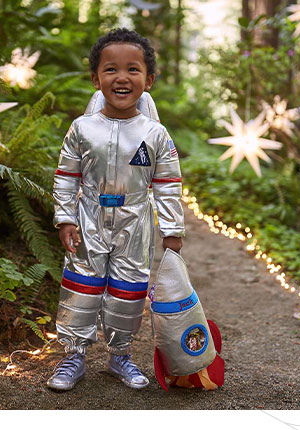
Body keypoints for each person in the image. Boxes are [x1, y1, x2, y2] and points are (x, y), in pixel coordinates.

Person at [47, 28, 185, 391]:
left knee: (129, 289)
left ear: (148, 80)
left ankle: (119, 355)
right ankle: (73, 355)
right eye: (111, 69)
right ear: (96, 78)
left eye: (133, 70)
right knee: (82, 286)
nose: (122, 78)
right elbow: (66, 176)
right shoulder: (82, 129)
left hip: (136, 221)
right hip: (88, 218)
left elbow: (168, 184)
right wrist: (65, 218)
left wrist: (172, 231)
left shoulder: (155, 135)